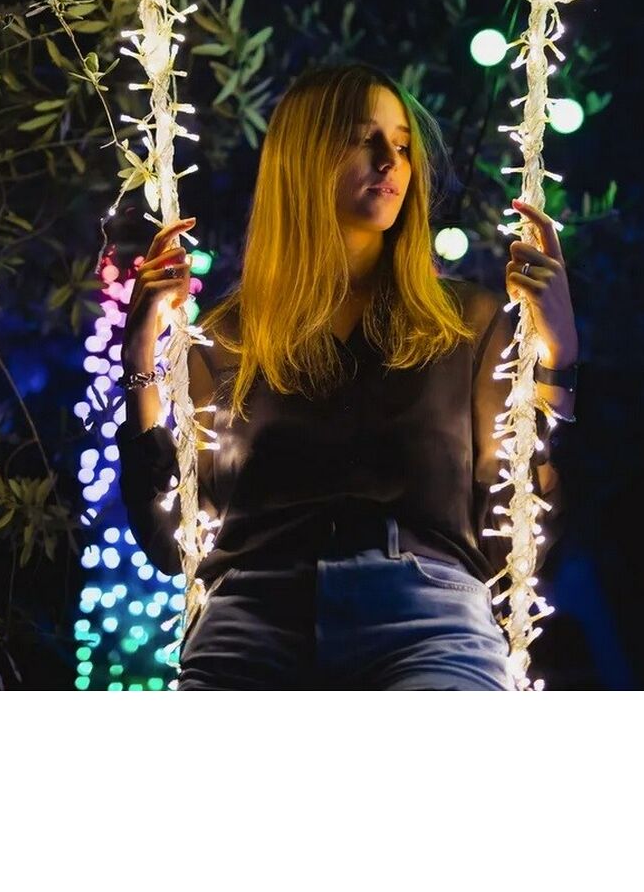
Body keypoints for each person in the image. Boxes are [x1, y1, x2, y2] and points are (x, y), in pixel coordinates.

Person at [117, 61, 579, 690]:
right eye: (364, 139)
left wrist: (558, 357)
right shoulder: (228, 339)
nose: (390, 160)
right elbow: (171, 544)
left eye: (403, 145)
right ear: (304, 159)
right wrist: (140, 360)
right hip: (252, 624)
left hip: (426, 623)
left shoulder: (467, 326)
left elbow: (519, 540)